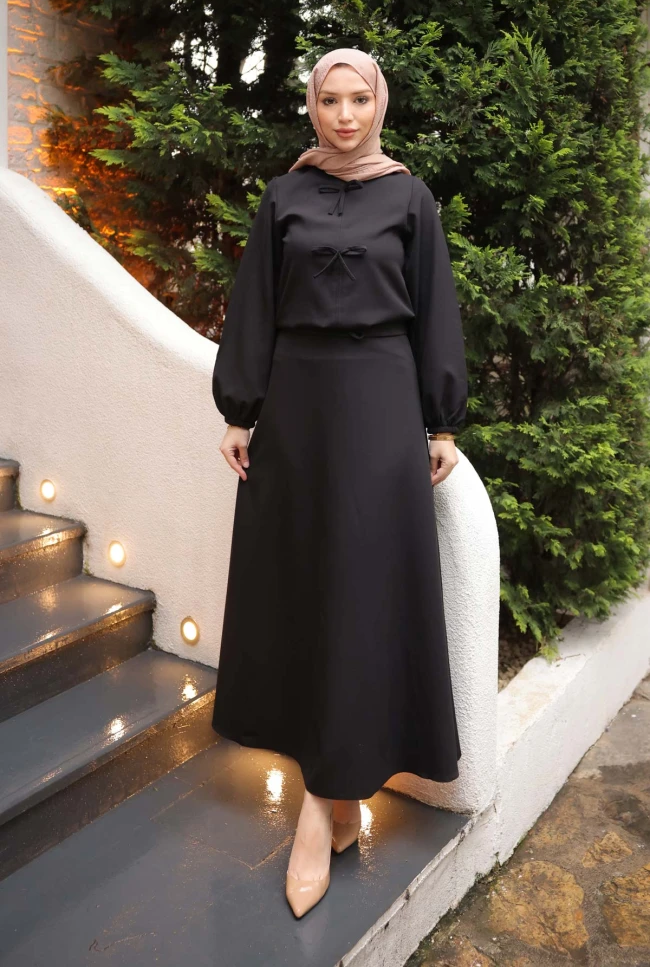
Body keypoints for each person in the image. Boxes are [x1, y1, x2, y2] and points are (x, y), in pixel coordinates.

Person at [210, 47, 468, 918]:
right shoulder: (284, 196)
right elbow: (255, 305)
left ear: (379, 105)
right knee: (307, 599)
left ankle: (319, 814)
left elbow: (435, 309)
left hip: (380, 408)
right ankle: (338, 797)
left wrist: (441, 421)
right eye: (331, 99)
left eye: (360, 99)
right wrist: (240, 410)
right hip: (297, 413)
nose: (346, 115)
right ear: (313, 107)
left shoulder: (410, 197)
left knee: (361, 600)